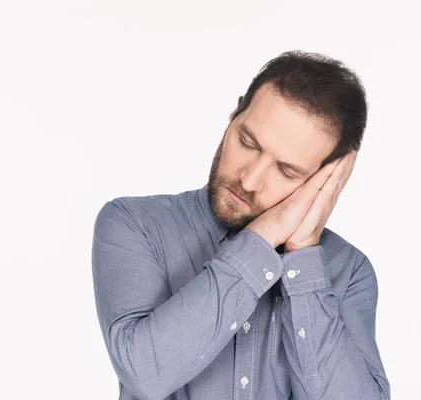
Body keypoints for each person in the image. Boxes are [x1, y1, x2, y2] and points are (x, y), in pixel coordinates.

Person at [91, 50, 390, 400]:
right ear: (233, 116)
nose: (249, 180)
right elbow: (146, 375)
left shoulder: (349, 272)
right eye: (247, 142)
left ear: (325, 181)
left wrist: (303, 256)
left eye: (286, 171)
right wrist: (263, 237)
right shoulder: (135, 225)